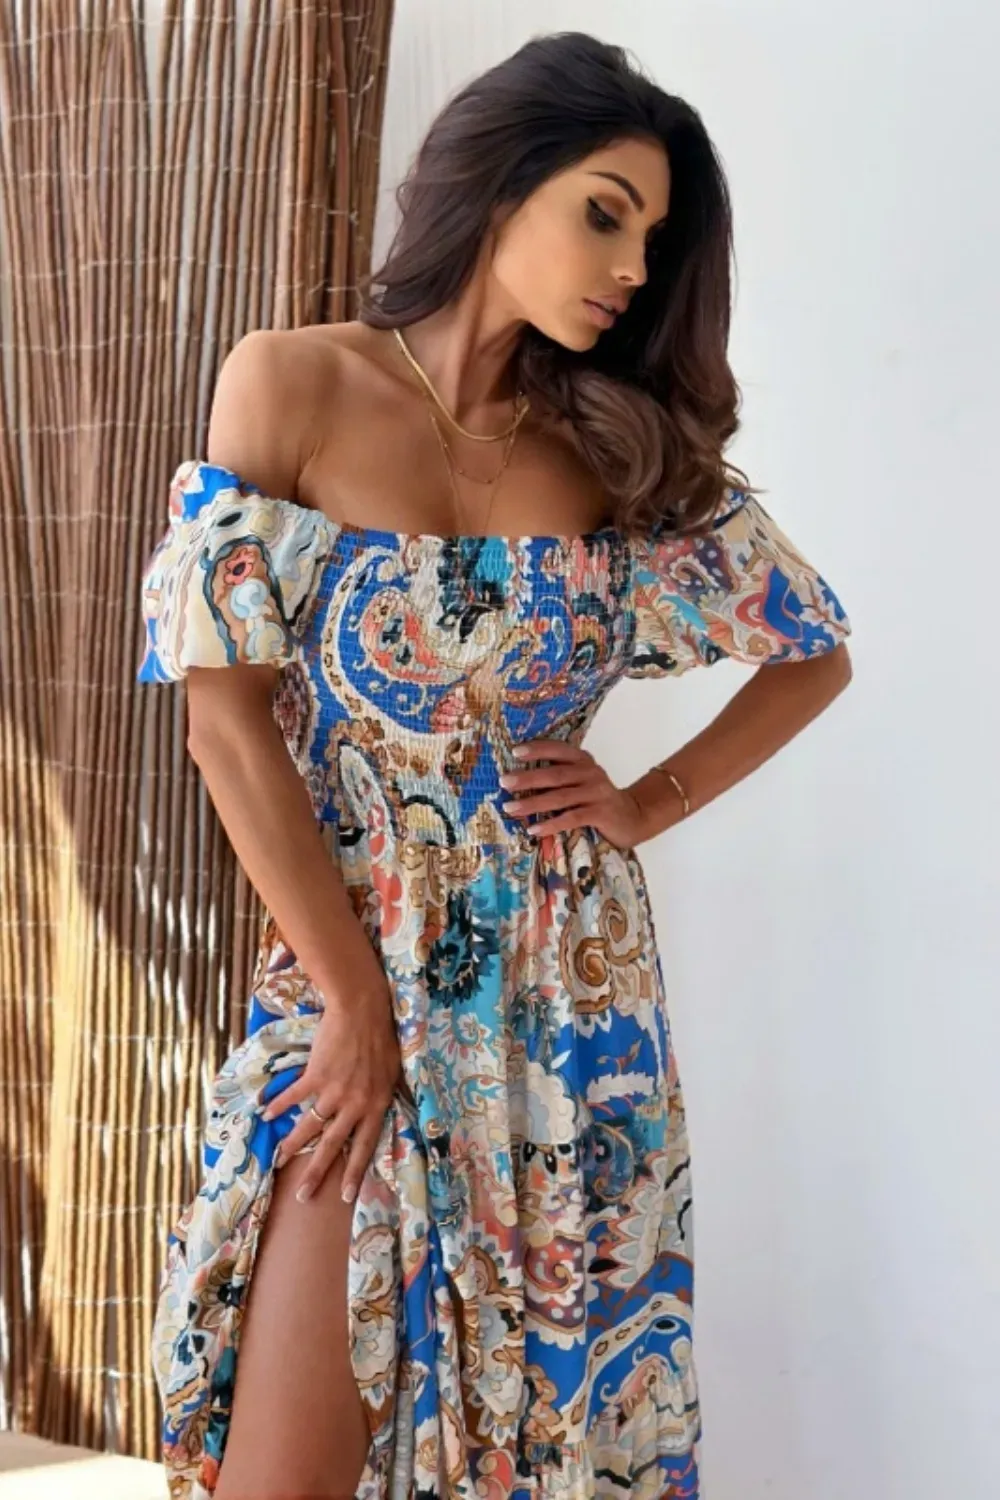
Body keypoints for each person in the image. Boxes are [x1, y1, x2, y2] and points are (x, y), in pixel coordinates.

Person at [136, 29, 853, 1500]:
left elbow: (811, 650)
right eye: (606, 213)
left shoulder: (614, 450)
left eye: (654, 241)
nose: (633, 269)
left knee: (535, 1448)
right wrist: (350, 999)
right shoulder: (292, 383)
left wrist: (643, 803)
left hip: (566, 1005)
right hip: (354, 962)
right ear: (503, 181)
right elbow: (225, 723)